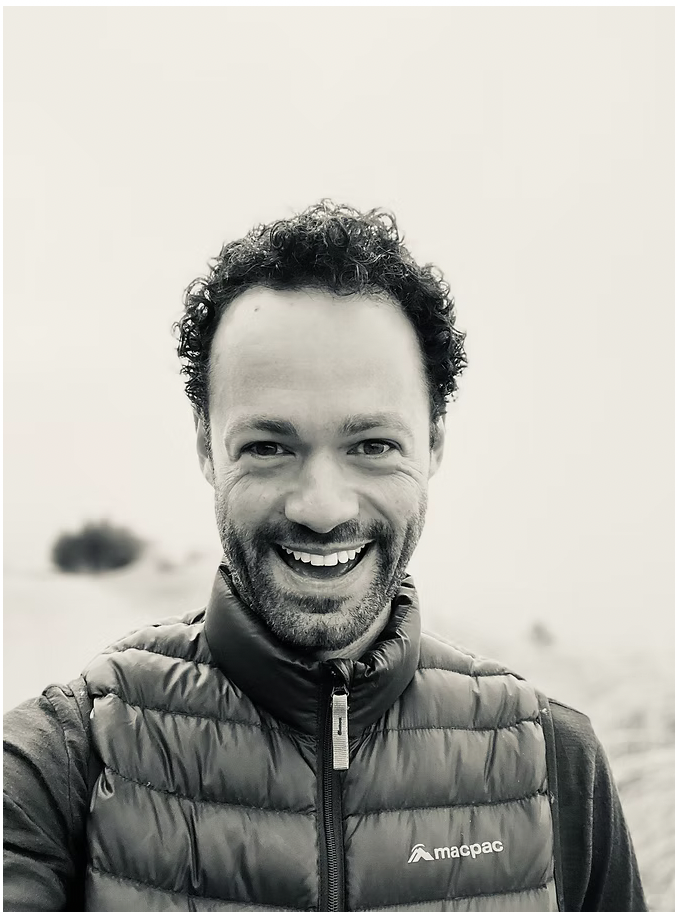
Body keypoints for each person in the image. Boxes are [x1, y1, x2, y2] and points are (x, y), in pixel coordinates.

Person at [4, 201, 647, 912]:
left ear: (433, 442)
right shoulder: (60, 762)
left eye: (372, 444)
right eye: (269, 447)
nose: (322, 506)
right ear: (205, 447)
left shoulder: (557, 766)